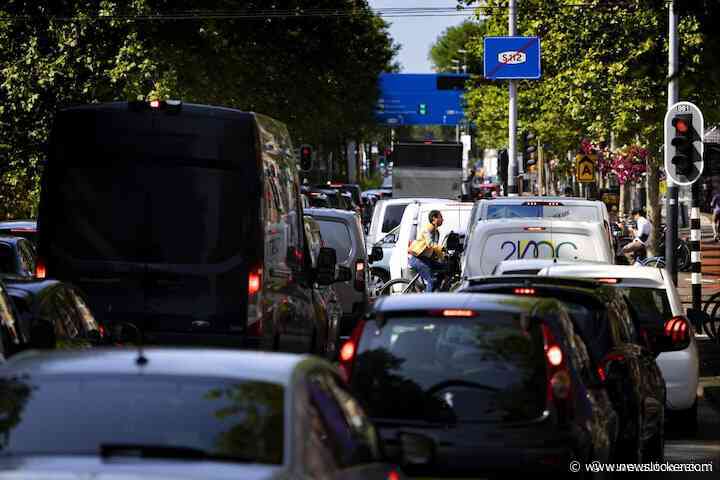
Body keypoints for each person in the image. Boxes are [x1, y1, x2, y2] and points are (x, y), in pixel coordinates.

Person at [408, 210, 446, 292]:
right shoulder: (427, 229)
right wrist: (442, 248)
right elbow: (430, 244)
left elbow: (435, 249)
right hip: (418, 259)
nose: (443, 220)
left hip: (426, 259)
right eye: (441, 217)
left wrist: (443, 258)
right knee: (431, 280)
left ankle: (437, 291)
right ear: (434, 218)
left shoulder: (436, 232)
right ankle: (428, 302)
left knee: (444, 268)